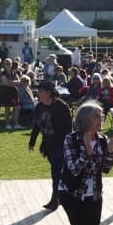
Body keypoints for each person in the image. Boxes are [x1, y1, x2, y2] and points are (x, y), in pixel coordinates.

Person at [28, 80, 73, 211]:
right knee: (59, 173)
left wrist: (66, 146)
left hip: (60, 145)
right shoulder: (39, 107)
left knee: (56, 173)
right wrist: (32, 141)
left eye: (40, 91)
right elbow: (36, 125)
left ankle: (55, 200)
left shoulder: (62, 107)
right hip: (48, 145)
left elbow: (68, 129)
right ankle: (63, 194)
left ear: (48, 93)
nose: (38, 93)